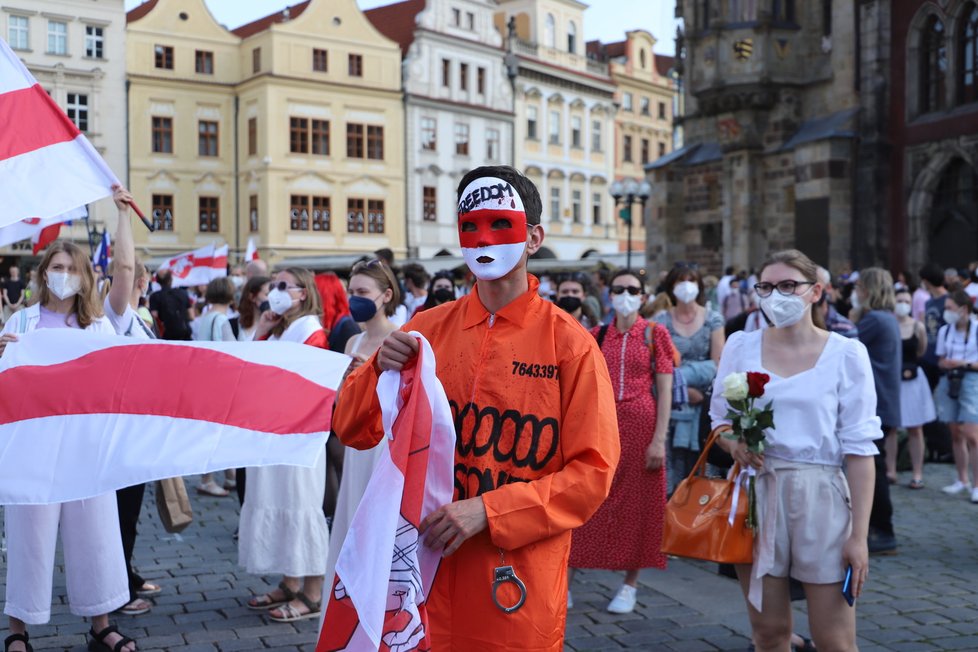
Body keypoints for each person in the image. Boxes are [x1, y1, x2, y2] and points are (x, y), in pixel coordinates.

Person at [331, 165, 620, 650]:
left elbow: (592, 473)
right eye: (470, 226)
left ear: (533, 238)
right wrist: (378, 367)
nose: (483, 237)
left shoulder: (570, 344)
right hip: (422, 575)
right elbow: (352, 428)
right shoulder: (428, 328)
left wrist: (489, 510)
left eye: (499, 224)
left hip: (515, 579)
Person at [711, 249, 878, 652]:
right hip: (756, 495)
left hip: (820, 494)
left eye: (788, 286)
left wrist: (859, 536)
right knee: (768, 634)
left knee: (834, 638)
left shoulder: (846, 354)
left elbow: (860, 450)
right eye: (766, 287)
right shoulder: (741, 345)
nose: (776, 296)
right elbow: (719, 421)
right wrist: (734, 445)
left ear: (815, 291)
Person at [0, 236, 137, 652]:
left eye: (72, 269)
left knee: (96, 535)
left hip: (84, 449)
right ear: (43, 274)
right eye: (57, 268)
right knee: (29, 538)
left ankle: (101, 624)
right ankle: (17, 630)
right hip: (32, 448)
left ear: (86, 277)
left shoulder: (97, 327)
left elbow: (115, 382)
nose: (64, 276)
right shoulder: (21, 323)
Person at [568, 269, 673, 613]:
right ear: (608, 294)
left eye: (632, 289)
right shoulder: (596, 335)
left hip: (642, 424)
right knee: (585, 498)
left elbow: (666, 390)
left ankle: (630, 584)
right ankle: (565, 576)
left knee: (640, 506)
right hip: (602, 425)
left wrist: (659, 439)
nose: (625, 294)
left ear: (643, 296)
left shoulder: (655, 334)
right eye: (618, 288)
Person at [239, 267, 329, 622]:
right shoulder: (279, 329)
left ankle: (313, 591)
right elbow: (249, 368)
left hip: (297, 436)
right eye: (272, 285)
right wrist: (261, 329)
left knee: (301, 505)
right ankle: (290, 581)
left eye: (281, 286)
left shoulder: (312, 332)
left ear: (302, 292)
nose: (273, 291)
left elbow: (302, 382)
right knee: (276, 501)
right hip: (271, 434)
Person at [322, 258, 401, 590]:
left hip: (385, 445)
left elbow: (405, 402)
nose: (355, 298)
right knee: (353, 516)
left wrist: (372, 371)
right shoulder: (352, 342)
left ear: (385, 296)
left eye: (362, 292)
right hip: (356, 446)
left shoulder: (401, 339)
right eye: (351, 291)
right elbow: (342, 401)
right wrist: (345, 381)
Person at [103, 187, 162, 619]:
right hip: (118, 437)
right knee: (119, 513)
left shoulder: (140, 321)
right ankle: (116, 587)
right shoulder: (115, 314)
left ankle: (127, 569)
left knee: (130, 510)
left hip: (138, 433)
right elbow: (123, 265)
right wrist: (123, 214)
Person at [655, 263, 725, 492]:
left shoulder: (713, 319)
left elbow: (718, 365)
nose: (686, 286)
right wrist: (685, 387)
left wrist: (678, 377)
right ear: (671, 286)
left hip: (702, 407)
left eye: (691, 280)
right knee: (671, 479)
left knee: (702, 478)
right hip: (670, 408)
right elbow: (658, 367)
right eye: (680, 281)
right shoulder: (661, 321)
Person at [851, 268, 901, 555]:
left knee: (875, 469)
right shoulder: (887, 319)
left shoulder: (874, 321)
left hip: (878, 403)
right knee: (877, 466)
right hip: (886, 402)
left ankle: (882, 530)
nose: (855, 292)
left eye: (859, 287)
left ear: (868, 290)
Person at [194, 277, 238, 497]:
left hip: (205, 381)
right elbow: (233, 352)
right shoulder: (221, 320)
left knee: (216, 430)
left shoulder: (204, 317)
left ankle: (230, 474)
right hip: (219, 384)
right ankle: (207, 479)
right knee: (216, 432)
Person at [935, 290, 978, 500]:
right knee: (955, 432)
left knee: (972, 434)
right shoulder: (945, 331)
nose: (947, 312)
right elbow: (940, 359)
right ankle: (962, 479)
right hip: (950, 380)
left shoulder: (977, 329)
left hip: (971, 380)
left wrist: (964, 364)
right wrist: (947, 364)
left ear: (964, 309)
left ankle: (977, 484)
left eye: (950, 308)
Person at [894, 288, 935, 488]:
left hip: (913, 379)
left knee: (915, 428)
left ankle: (917, 473)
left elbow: (921, 350)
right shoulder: (890, 325)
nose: (903, 304)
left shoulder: (918, 326)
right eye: (899, 300)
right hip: (893, 380)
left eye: (906, 301)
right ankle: (890, 470)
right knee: (890, 428)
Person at [149, 269, 193, 340]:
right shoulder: (183, 293)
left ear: (157, 281)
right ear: (171, 279)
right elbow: (191, 316)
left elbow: (154, 316)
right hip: (185, 334)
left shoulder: (155, 296)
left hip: (167, 335)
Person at [236, 275, 270, 342]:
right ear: (252, 297)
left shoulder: (276, 325)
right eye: (267, 294)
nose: (271, 298)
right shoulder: (232, 325)